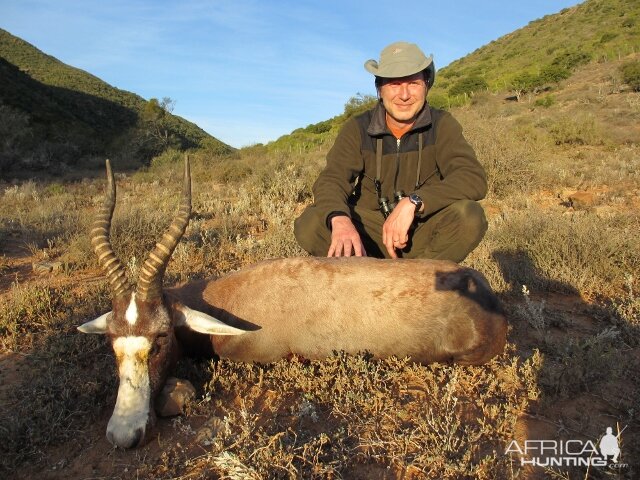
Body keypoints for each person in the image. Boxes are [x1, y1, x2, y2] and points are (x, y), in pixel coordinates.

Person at [294, 41, 488, 262]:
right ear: (379, 89)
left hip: (421, 232)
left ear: (426, 85)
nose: (404, 95)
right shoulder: (358, 127)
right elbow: (332, 180)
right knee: (311, 223)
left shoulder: (442, 124)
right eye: (394, 84)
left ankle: (418, 283)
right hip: (369, 235)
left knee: (469, 216)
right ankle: (365, 283)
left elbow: (472, 178)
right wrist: (340, 219)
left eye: (413, 83)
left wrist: (414, 202)